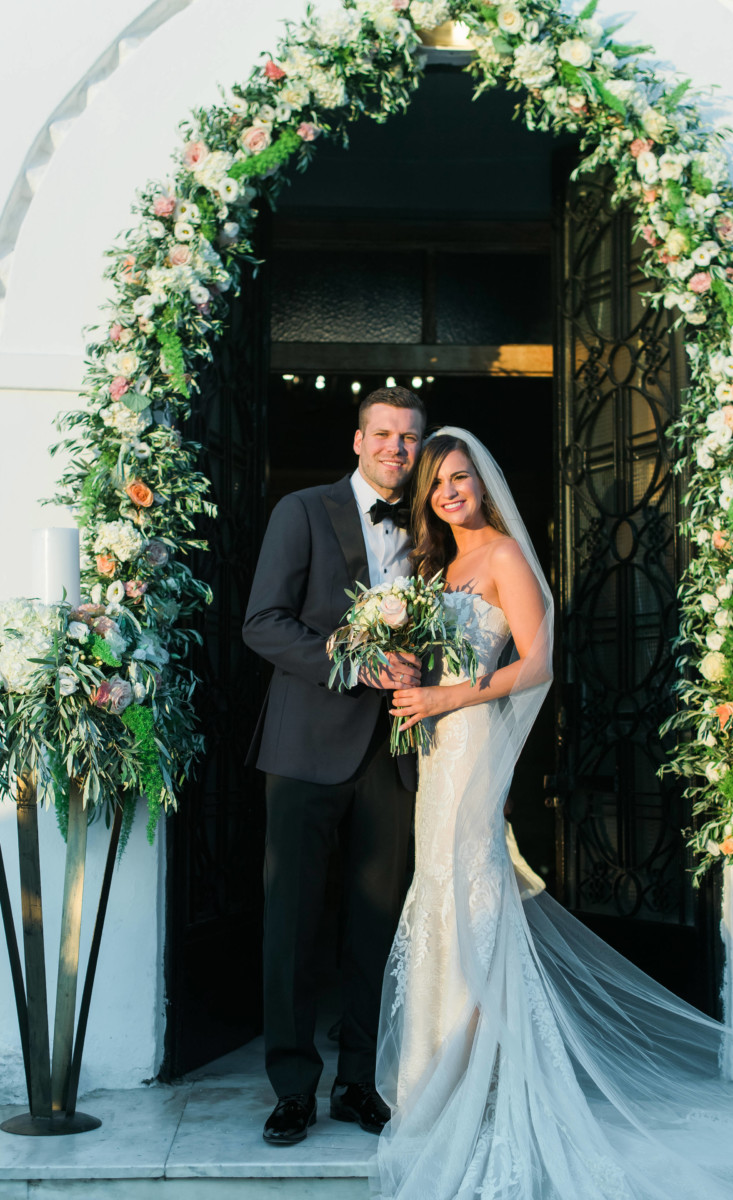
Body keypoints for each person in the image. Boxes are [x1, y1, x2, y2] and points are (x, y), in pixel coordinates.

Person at [374, 427, 733, 1200]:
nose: (450, 492)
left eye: (461, 477)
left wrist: (451, 696)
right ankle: (436, 1070)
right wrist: (405, 671)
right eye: (438, 483)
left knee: (471, 891)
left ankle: (476, 1072)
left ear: (484, 482)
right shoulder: (439, 566)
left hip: (469, 738)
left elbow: (536, 663)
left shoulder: (503, 555)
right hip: (436, 747)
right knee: (438, 890)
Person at [242, 386, 425, 1146]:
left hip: (400, 753)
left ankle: (358, 1082)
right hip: (304, 746)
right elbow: (263, 625)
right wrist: (354, 660)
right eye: (382, 434)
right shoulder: (303, 511)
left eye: (409, 438)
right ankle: (292, 1088)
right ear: (357, 441)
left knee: (378, 924)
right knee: (292, 921)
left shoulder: (433, 526)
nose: (395, 449)